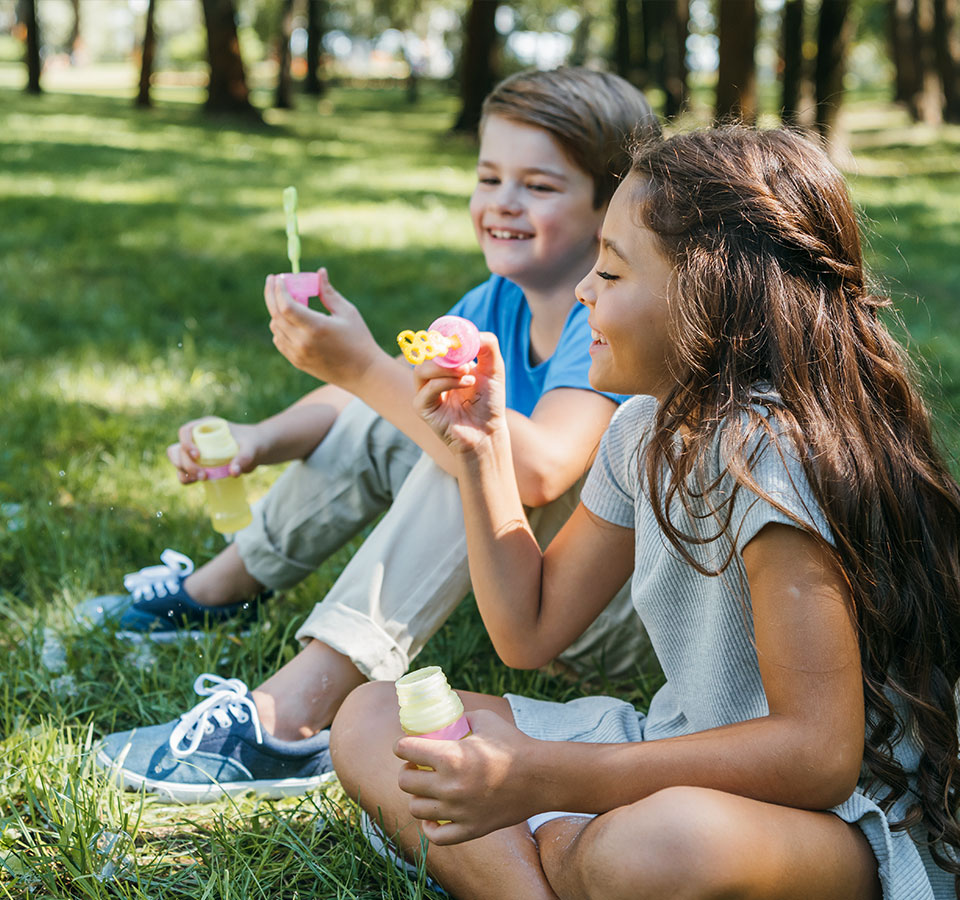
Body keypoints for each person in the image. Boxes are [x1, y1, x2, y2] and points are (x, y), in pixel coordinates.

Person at [330, 126, 960, 899]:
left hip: (842, 820)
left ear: (712, 297)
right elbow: (529, 631)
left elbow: (818, 755)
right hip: (680, 752)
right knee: (370, 718)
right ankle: (545, 880)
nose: (583, 292)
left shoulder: (774, 456)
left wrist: (548, 778)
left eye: (612, 270)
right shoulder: (642, 429)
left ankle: (556, 857)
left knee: (655, 848)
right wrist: (482, 447)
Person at [91, 68, 661, 803]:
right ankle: (217, 591)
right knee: (432, 417)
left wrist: (369, 370)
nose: (502, 204)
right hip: (529, 595)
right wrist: (262, 436)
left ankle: (290, 719)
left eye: (539, 187)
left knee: (467, 448)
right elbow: (373, 397)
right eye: (489, 177)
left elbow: (543, 469)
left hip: (606, 618)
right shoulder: (494, 301)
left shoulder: (609, 319)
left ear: (607, 204)